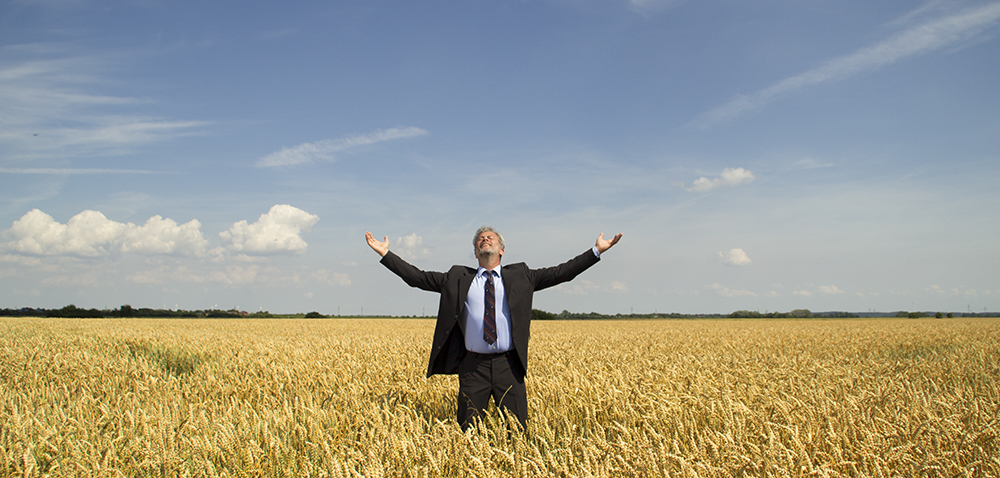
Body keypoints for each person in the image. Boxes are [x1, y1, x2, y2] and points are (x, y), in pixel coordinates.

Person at [365, 226, 622, 431]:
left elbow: (562, 272)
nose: (484, 239)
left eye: (490, 237)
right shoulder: (457, 277)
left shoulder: (522, 275)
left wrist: (595, 251)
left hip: (508, 366)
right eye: (480, 239)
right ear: (476, 253)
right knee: (469, 432)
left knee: (517, 433)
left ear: (501, 250)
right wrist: (386, 255)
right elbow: (417, 277)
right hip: (472, 367)